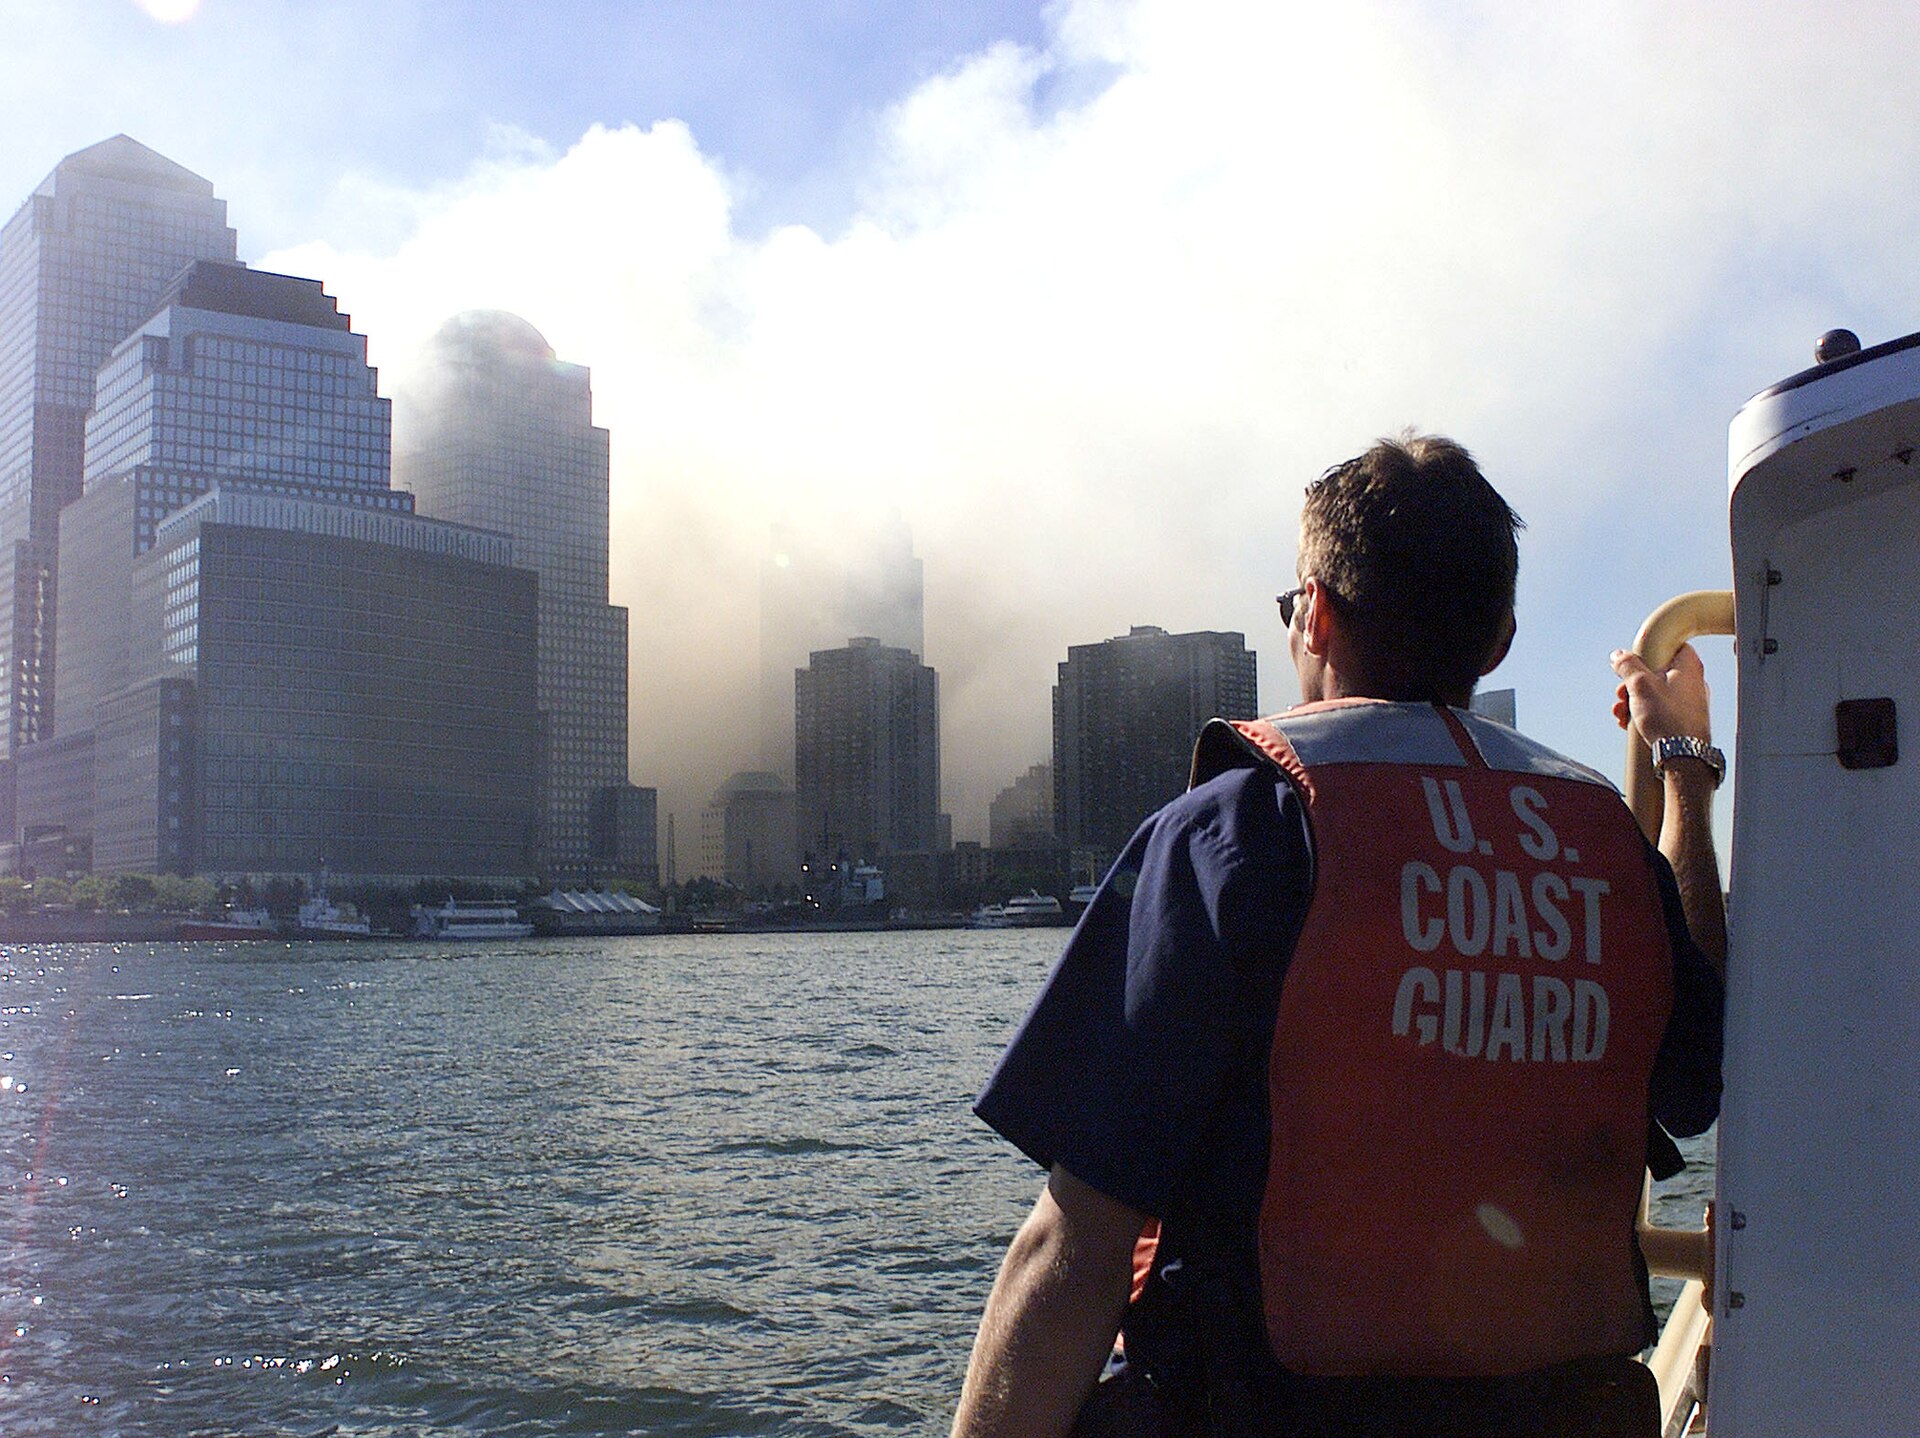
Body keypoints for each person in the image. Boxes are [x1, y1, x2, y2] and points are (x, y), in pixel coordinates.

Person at [951, 435, 1726, 1438]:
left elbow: (1075, 1246)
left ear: (1314, 612)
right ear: (1499, 640)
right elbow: (1695, 1082)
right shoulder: (1608, 849)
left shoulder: (1233, 833)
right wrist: (1684, 775)